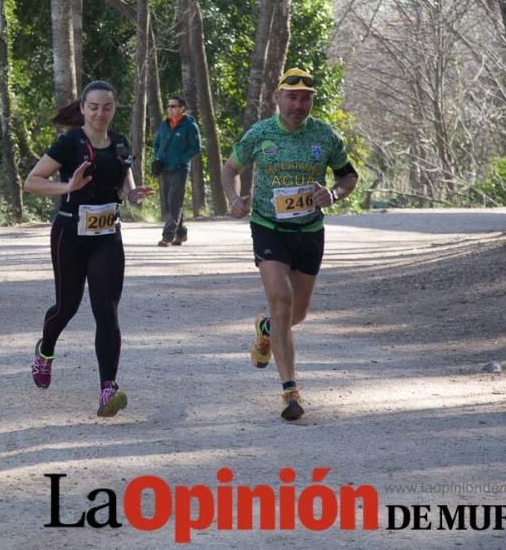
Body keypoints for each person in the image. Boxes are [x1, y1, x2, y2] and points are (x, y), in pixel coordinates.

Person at [220, 68, 358, 421]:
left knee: (295, 315)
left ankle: (266, 330)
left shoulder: (325, 135)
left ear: (312, 100)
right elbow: (229, 169)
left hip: (309, 230)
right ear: (278, 98)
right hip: (268, 227)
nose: (299, 105)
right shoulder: (260, 134)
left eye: (305, 98)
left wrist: (333, 193)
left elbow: (348, 175)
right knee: (281, 301)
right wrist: (234, 200)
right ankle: (290, 392)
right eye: (292, 97)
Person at [24, 81, 153, 417]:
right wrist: (68, 186)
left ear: (114, 109)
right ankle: (46, 350)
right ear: (82, 108)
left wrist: (132, 194)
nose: (100, 113)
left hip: (108, 235)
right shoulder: (69, 143)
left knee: (106, 311)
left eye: (106, 107)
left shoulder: (121, 142)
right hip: (70, 233)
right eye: (93, 107)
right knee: (66, 307)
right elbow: (32, 181)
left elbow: (125, 179)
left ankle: (107, 388)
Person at [152, 95, 201, 246]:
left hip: (179, 169)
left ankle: (168, 236)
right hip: (164, 168)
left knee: (174, 202)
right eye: (169, 106)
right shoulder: (164, 125)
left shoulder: (190, 126)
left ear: (182, 109)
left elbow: (195, 148)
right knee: (169, 203)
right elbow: (157, 143)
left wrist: (180, 159)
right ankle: (180, 233)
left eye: (173, 106)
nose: (170, 109)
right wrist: (157, 158)